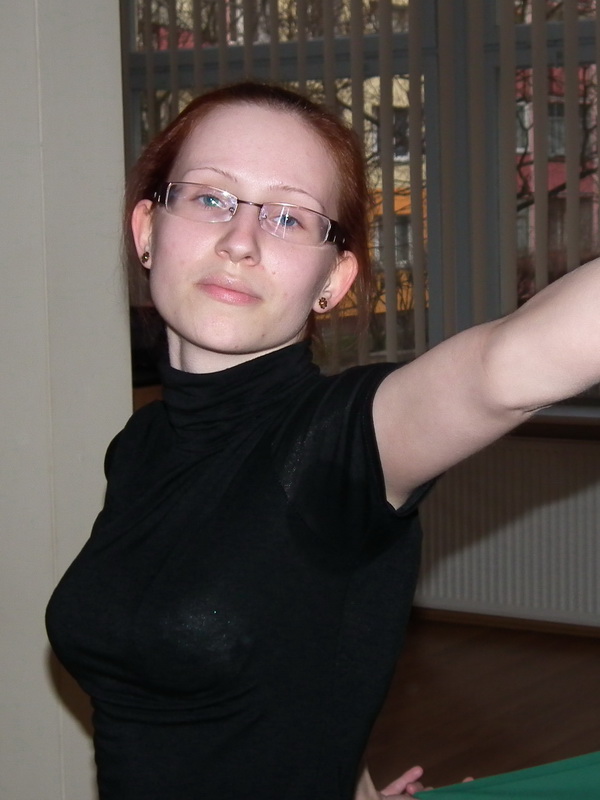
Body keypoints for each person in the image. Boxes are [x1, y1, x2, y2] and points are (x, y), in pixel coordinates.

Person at [46, 81, 600, 800]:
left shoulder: (336, 443)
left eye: (287, 217)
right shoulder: (142, 445)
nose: (239, 241)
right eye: (210, 198)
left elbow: (506, 367)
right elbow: (293, 643)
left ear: (334, 279)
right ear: (148, 230)